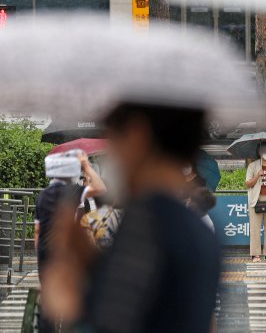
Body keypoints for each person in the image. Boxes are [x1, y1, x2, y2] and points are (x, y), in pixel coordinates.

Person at [41, 103, 221, 333]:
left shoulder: (147, 220)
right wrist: (88, 258)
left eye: (112, 138)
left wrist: (65, 299)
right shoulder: (198, 225)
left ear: (136, 136)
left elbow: (112, 321)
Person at [35, 150, 106, 332]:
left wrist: (39, 253)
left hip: (45, 249)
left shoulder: (42, 195)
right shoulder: (73, 191)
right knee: (72, 296)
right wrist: (86, 165)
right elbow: (101, 189)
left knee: (49, 298)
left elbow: (37, 230)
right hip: (67, 251)